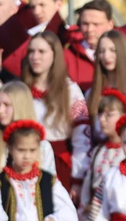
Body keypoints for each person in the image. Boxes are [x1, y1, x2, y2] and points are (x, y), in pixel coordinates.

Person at [23, 32, 89, 188]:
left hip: (59, 165)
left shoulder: (69, 90)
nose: (35, 57)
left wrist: (78, 178)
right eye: (31, 52)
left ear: (54, 54)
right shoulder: (21, 90)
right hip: (27, 163)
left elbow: (82, 136)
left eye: (41, 52)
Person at [80, 90, 126, 215]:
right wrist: (84, 207)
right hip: (96, 213)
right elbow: (88, 183)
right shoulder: (98, 150)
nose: (102, 119)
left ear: (123, 116)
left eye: (109, 115)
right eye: (100, 114)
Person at [65, 0, 115, 91]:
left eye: (96, 24)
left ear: (110, 25)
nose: (89, 29)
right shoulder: (67, 56)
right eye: (85, 24)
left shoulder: (120, 53)